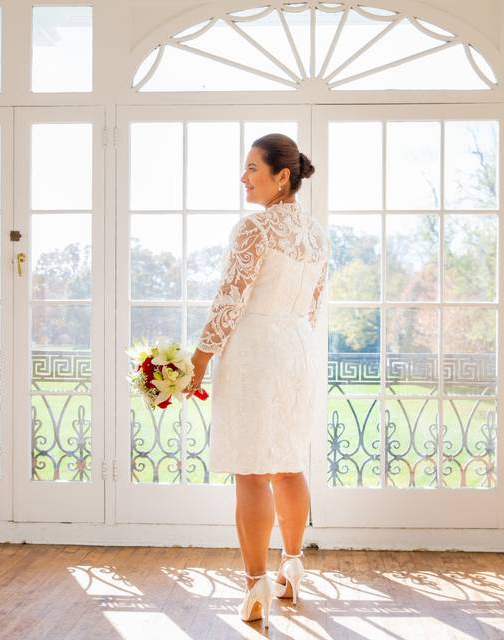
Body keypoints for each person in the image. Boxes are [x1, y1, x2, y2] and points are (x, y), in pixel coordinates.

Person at [187, 133, 327, 628]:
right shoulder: (315, 235)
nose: (243, 178)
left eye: (251, 168)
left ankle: (254, 586)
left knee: (250, 470)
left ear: (281, 175)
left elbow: (230, 300)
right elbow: (311, 307)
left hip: (255, 351)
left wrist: (199, 360)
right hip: (298, 351)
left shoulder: (255, 229)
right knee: (289, 463)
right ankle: (292, 566)